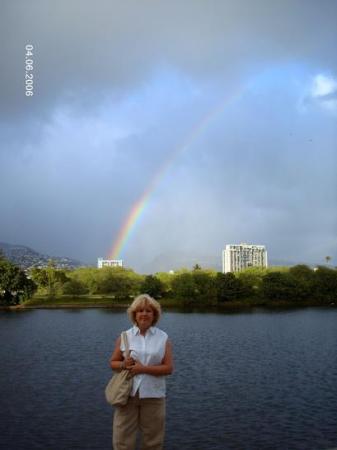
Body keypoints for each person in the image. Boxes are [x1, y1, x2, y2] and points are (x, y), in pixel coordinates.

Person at [109, 294, 173, 450]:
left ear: (154, 315)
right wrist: (124, 364)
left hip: (154, 395)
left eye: (149, 311)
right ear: (134, 315)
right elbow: (113, 363)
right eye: (140, 311)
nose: (144, 314)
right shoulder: (125, 336)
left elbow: (168, 368)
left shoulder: (163, 337)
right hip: (127, 394)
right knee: (122, 439)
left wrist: (142, 368)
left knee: (153, 441)